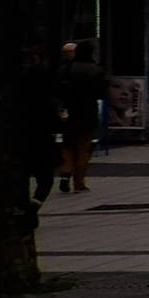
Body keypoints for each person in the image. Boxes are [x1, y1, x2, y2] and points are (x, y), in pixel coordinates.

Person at [11, 47, 62, 204]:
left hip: (22, 141)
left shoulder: (18, 100)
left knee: (23, 177)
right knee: (45, 179)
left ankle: (24, 209)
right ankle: (34, 207)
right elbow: (56, 123)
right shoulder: (49, 102)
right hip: (43, 141)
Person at [57, 41, 107, 193]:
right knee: (84, 148)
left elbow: (57, 88)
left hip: (69, 112)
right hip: (87, 113)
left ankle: (66, 171)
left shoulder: (66, 69)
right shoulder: (96, 70)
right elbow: (101, 92)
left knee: (67, 145)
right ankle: (79, 182)